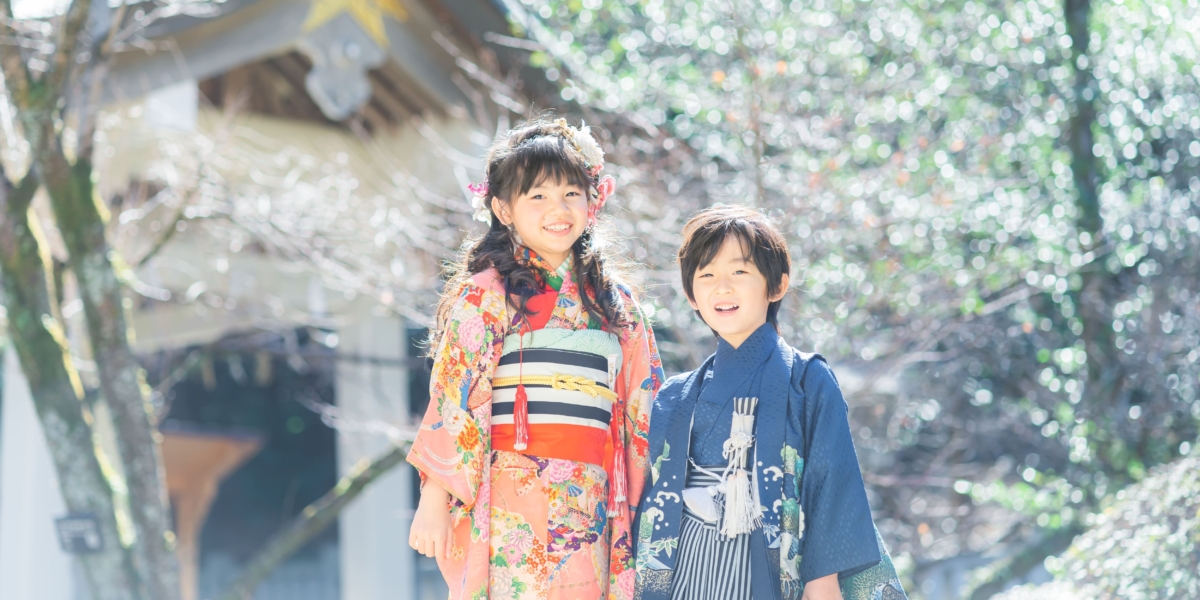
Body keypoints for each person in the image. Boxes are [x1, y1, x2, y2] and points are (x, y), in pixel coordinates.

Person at [406, 117, 664, 600]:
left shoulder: (616, 303)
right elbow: (454, 399)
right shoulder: (484, 295)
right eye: (538, 196)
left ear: (594, 201)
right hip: (510, 496)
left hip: (593, 497)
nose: (558, 209)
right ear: (504, 208)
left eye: (571, 193)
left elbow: (643, 406)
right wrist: (434, 498)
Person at [635, 206, 907, 600]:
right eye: (706, 275)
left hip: (766, 564)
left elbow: (831, 486)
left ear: (776, 285)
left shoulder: (807, 379)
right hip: (683, 564)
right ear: (691, 295)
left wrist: (822, 582)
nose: (721, 287)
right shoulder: (675, 395)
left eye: (739, 272)